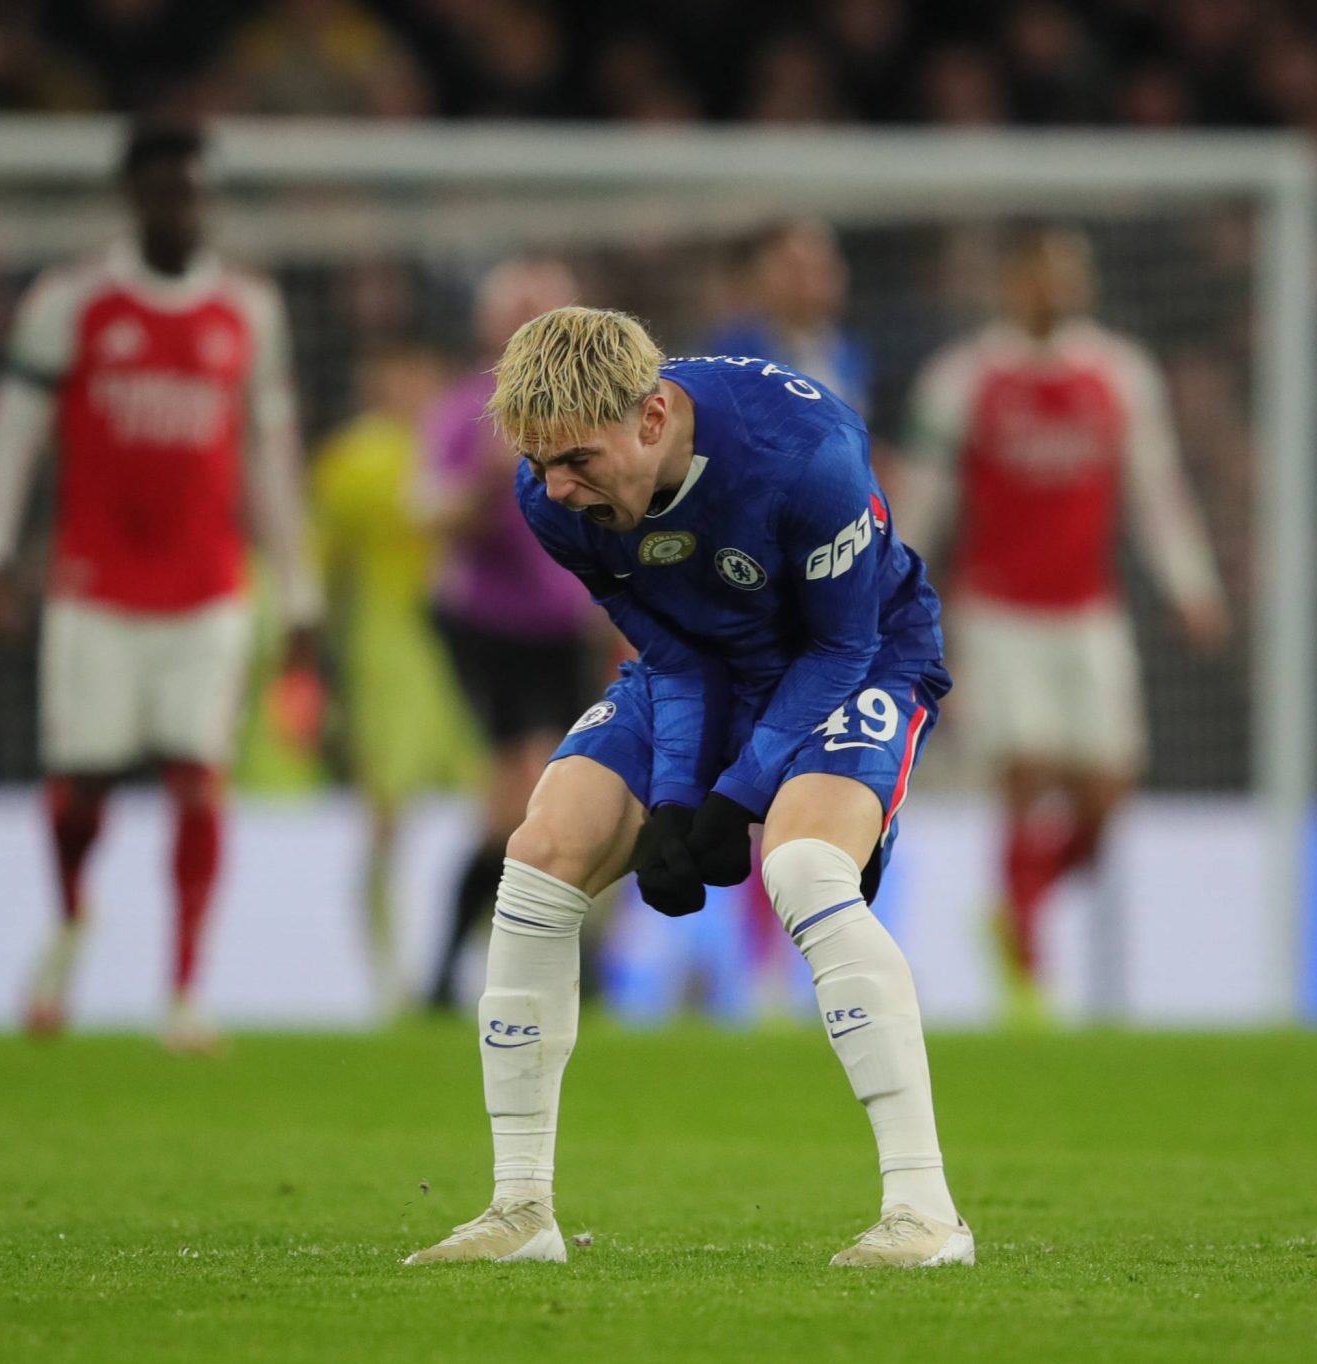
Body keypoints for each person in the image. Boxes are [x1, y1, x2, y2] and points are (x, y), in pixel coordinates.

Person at [405, 307, 971, 1270]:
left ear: (654, 419)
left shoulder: (805, 450)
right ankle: (520, 1210)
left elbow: (840, 644)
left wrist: (737, 798)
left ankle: (925, 1213)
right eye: (541, 464)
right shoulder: (550, 497)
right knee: (539, 856)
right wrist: (674, 802)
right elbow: (666, 649)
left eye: (578, 460)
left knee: (799, 865)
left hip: (859, 660)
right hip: (703, 660)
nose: (557, 488)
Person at [0, 120, 318, 1052]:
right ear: (133, 198)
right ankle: (73, 916)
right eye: (163, 190)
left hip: (207, 589)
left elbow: (271, 460)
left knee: (199, 782)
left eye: (192, 191)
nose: (179, 208)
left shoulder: (248, 309)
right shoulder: (71, 301)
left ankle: (185, 991)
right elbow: (12, 430)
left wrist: (300, 591)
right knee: (80, 788)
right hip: (94, 587)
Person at [900, 222, 1227, 1022]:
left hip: (1089, 613)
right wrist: (892, 583)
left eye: (1070, 272)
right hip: (999, 612)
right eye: (1043, 272)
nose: (1059, 286)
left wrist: (1192, 582)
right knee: (1027, 772)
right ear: (1011, 283)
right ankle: (1029, 979)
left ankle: (1019, 904)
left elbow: (1156, 486)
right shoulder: (963, 378)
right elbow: (925, 492)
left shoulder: (1120, 373)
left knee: (1107, 791)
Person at [421, 258, 602, 1011]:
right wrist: (489, 482)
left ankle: (545, 975)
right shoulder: (465, 411)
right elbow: (425, 516)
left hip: (568, 632)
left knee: (578, 806)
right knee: (522, 797)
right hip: (488, 627)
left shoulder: (599, 417)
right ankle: (454, 976)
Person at [310, 342, 485, 1005]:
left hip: (465, 653)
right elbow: (323, 563)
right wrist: (317, 665)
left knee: (506, 808)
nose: (408, 382)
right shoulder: (355, 460)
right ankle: (386, 977)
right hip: (388, 659)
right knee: (387, 818)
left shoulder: (465, 441)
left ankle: (477, 958)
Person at [701, 218, 871, 414]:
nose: (812, 283)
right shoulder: (731, 355)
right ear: (763, 277)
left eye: (822, 269)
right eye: (796, 270)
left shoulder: (848, 352)